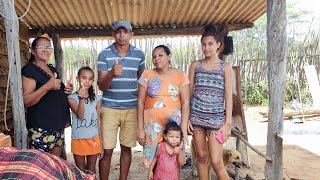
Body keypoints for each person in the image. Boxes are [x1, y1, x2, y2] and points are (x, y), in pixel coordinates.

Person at [97, 19, 145, 180]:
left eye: (125, 32)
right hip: (109, 107)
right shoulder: (104, 54)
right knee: (107, 150)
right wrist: (111, 73)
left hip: (131, 108)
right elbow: (101, 86)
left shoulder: (139, 55)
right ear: (113, 34)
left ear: (132, 34)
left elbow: (142, 81)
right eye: (118, 31)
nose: (122, 35)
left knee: (126, 148)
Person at [188, 24, 232, 180]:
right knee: (201, 156)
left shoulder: (225, 67)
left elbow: (228, 96)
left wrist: (227, 124)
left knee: (216, 161)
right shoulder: (195, 65)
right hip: (197, 118)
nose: (206, 48)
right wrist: (186, 118)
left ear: (218, 45)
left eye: (210, 44)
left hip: (216, 120)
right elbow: (189, 93)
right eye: (204, 44)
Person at [137, 45, 190, 168]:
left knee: (174, 159)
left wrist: (183, 128)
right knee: (153, 160)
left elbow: (185, 103)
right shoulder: (147, 74)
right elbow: (140, 102)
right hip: (151, 125)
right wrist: (140, 129)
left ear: (169, 56)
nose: (157, 58)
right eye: (154, 56)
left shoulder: (180, 75)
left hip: (174, 124)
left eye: (160, 55)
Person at [22, 36, 73, 157]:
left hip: (57, 127)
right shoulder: (30, 70)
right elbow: (26, 100)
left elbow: (55, 93)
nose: (46, 50)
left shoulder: (52, 69)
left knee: (54, 166)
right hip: (41, 128)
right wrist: (47, 86)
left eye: (48, 47)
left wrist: (66, 90)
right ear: (33, 50)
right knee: (42, 167)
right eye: (41, 47)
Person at [67, 67, 103, 173]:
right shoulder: (72, 98)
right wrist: (81, 99)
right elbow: (80, 115)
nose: (87, 81)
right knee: (80, 170)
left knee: (91, 169)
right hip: (78, 139)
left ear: (93, 81)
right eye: (84, 78)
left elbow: (98, 121)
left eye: (90, 79)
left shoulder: (97, 99)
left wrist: (100, 142)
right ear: (78, 79)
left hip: (93, 139)